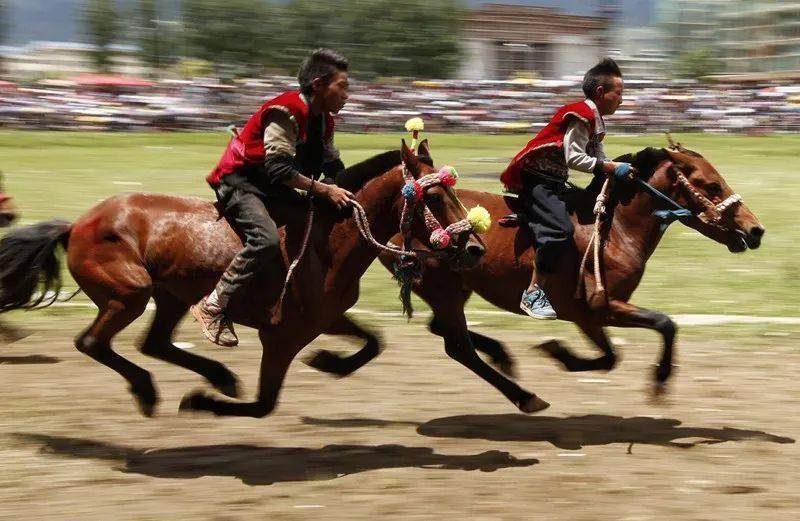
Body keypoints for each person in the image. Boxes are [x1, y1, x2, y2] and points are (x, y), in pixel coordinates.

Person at [192, 49, 355, 347]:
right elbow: (279, 170)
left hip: (271, 187)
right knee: (265, 240)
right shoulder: (285, 111)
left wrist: (343, 189)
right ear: (318, 85)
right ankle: (213, 304)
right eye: (342, 86)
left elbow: (332, 165)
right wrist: (326, 190)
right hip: (240, 182)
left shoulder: (324, 121)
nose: (347, 95)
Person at [499, 58, 635, 320]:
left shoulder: (595, 119)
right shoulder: (581, 116)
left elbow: (598, 154)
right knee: (560, 231)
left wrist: (615, 168)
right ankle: (533, 293)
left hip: (555, 180)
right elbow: (574, 158)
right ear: (600, 92)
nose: (621, 100)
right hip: (538, 180)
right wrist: (608, 167)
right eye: (618, 94)